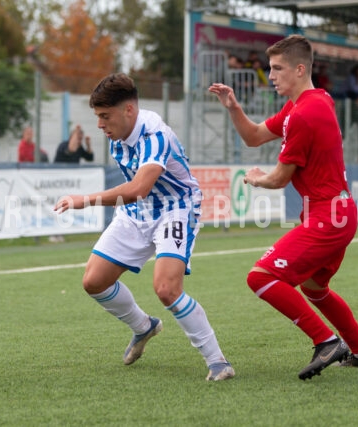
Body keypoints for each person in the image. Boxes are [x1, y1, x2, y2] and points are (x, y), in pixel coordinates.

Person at [209, 34, 358, 381]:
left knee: (259, 277)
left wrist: (257, 178)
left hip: (328, 218)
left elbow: (279, 179)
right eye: (270, 68)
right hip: (338, 214)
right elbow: (254, 136)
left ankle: (326, 341)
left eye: (277, 68)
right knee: (315, 289)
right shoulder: (312, 102)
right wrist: (234, 108)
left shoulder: (305, 114)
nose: (270, 75)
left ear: (300, 69)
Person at [54, 73, 235, 381]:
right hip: (138, 211)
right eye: (98, 117)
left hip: (175, 209)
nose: (100, 124)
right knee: (94, 281)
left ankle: (217, 361)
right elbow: (137, 193)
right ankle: (144, 327)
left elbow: (139, 187)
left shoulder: (154, 135)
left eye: (104, 116)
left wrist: (85, 200)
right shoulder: (117, 137)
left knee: (166, 289)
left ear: (128, 110)